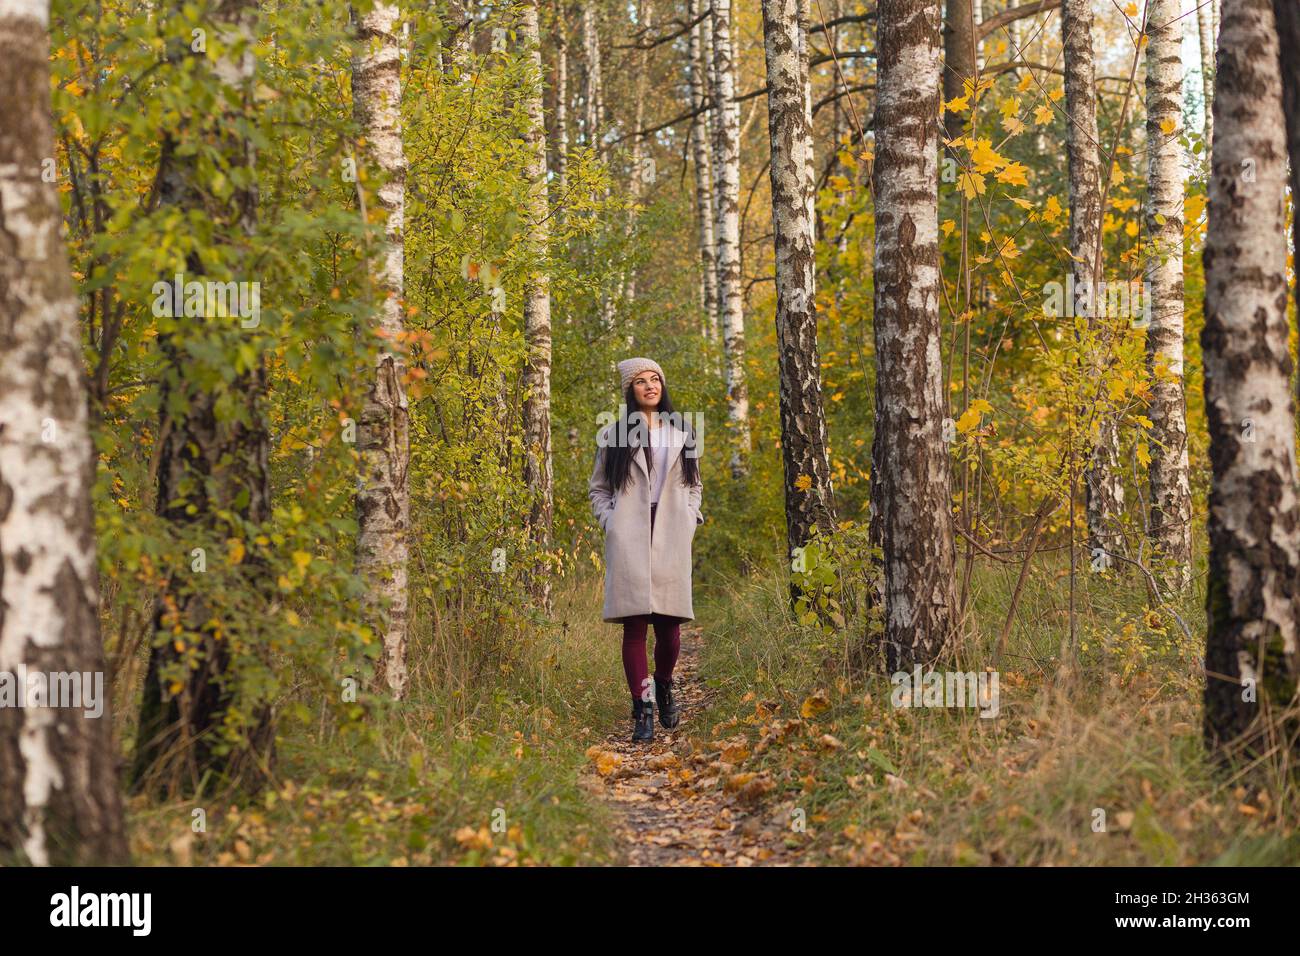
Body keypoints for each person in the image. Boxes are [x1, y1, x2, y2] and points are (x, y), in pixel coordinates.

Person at [588, 358, 703, 743]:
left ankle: (665, 684)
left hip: (671, 530)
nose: (650, 385)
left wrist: (689, 519)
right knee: (635, 625)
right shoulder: (614, 436)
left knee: (669, 625)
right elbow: (599, 489)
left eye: (655, 379)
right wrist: (612, 523)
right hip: (631, 534)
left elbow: (694, 485)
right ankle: (644, 707)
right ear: (630, 390)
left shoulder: (682, 432)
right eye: (641, 381)